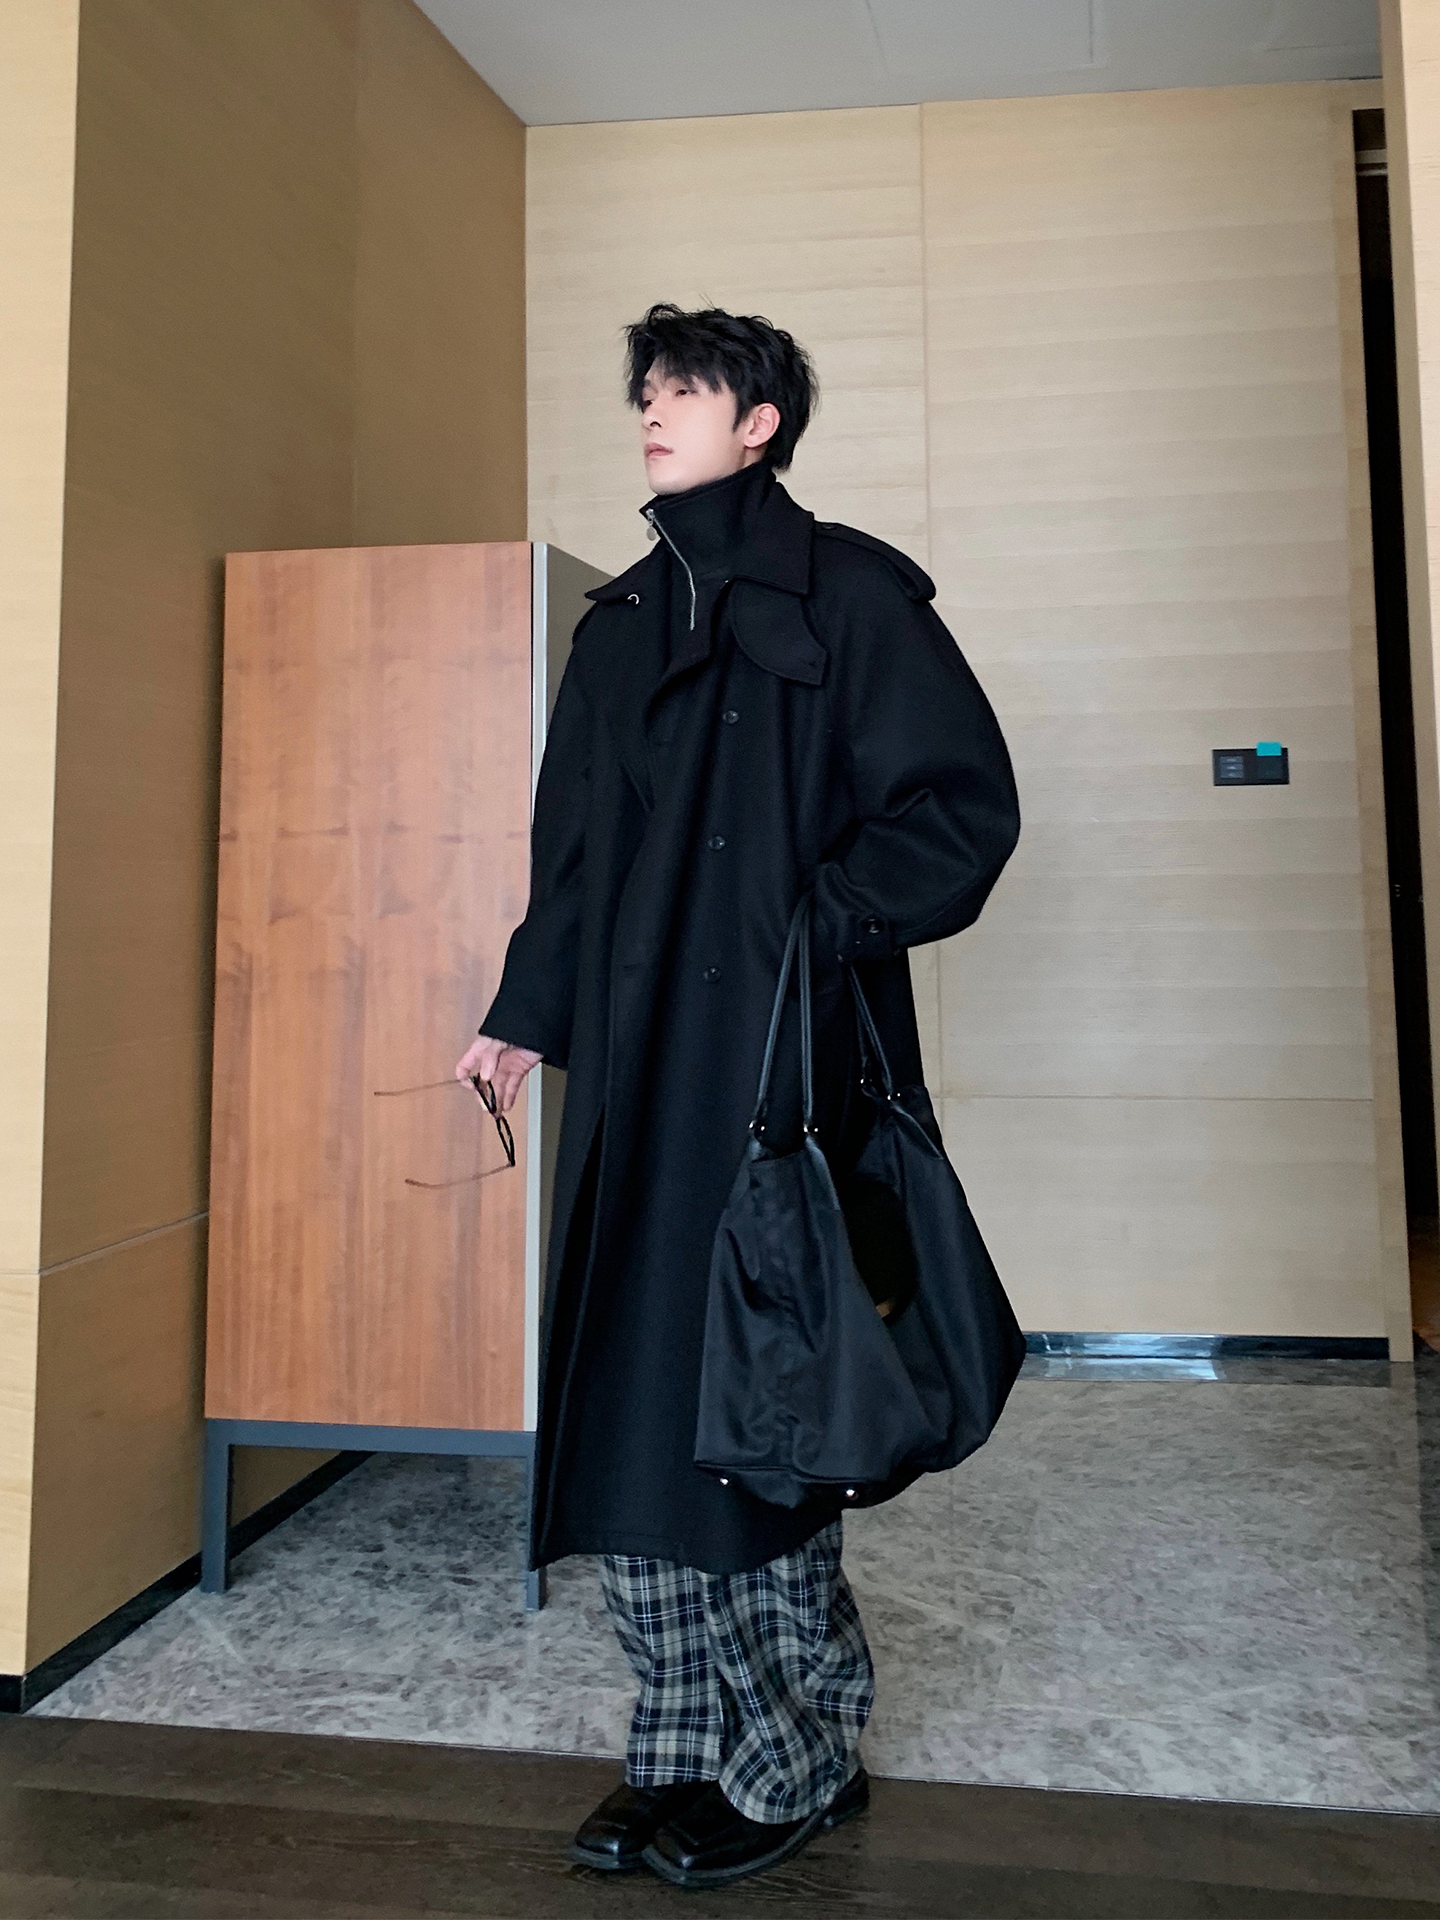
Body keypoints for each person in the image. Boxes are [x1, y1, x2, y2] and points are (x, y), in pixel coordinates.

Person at [456, 303, 1020, 1889]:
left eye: (687, 389)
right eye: (645, 389)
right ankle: (678, 1744)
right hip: (638, 1073)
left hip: (780, 1072)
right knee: (638, 1408)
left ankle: (796, 1761)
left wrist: (815, 924)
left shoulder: (854, 597)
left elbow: (959, 808)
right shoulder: (621, 623)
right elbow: (572, 860)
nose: (654, 409)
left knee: (764, 1417)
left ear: (762, 421)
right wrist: (521, 1015)